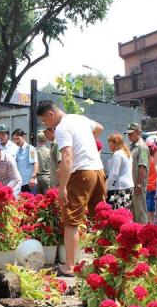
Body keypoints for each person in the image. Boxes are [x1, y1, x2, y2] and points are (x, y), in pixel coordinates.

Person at [36, 100, 106, 276]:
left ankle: (69, 266)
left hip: (81, 174)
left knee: (71, 221)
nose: (46, 125)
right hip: (98, 170)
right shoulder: (79, 118)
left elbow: (67, 157)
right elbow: (99, 128)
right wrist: (86, 143)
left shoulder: (61, 128)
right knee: (101, 217)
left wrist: (63, 188)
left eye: (45, 120)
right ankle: (106, 260)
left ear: (51, 114)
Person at [125, 123, 150, 224]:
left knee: (140, 212)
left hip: (137, 184)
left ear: (138, 132)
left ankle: (144, 235)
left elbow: (142, 166)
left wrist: (139, 184)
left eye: (131, 133)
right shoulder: (132, 147)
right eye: (128, 134)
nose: (129, 136)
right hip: (132, 184)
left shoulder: (142, 147)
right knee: (133, 212)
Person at [105, 133, 134, 209]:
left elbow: (113, 174)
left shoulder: (117, 154)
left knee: (116, 211)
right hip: (128, 187)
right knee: (125, 211)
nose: (109, 145)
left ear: (115, 143)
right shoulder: (127, 154)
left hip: (119, 188)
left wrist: (106, 188)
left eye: (109, 142)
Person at [12, 129, 38, 193]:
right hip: (21, 183)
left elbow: (35, 163)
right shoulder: (17, 150)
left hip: (29, 182)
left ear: (23, 137)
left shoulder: (30, 148)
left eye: (18, 138)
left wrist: (33, 178)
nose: (16, 141)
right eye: (14, 139)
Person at [146, 142, 157, 223]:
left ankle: (148, 223)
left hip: (147, 187)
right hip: (154, 186)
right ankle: (153, 223)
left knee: (147, 208)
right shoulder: (156, 160)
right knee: (153, 208)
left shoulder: (146, 161)